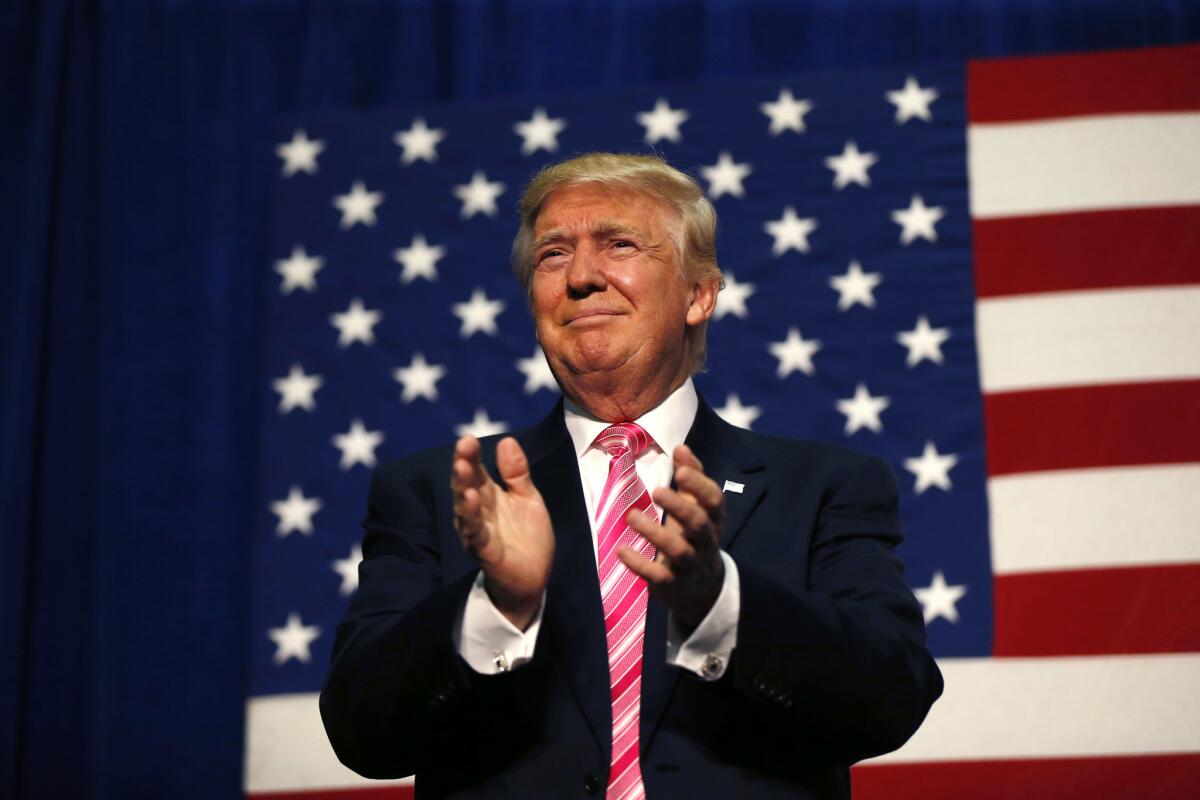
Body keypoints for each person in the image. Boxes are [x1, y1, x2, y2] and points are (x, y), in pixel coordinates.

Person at [320, 153, 943, 799]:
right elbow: (362, 735)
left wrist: (719, 602)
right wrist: (496, 605)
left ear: (699, 295)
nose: (582, 277)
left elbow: (890, 700)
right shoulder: (446, 491)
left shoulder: (825, 486)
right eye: (553, 255)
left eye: (618, 244)